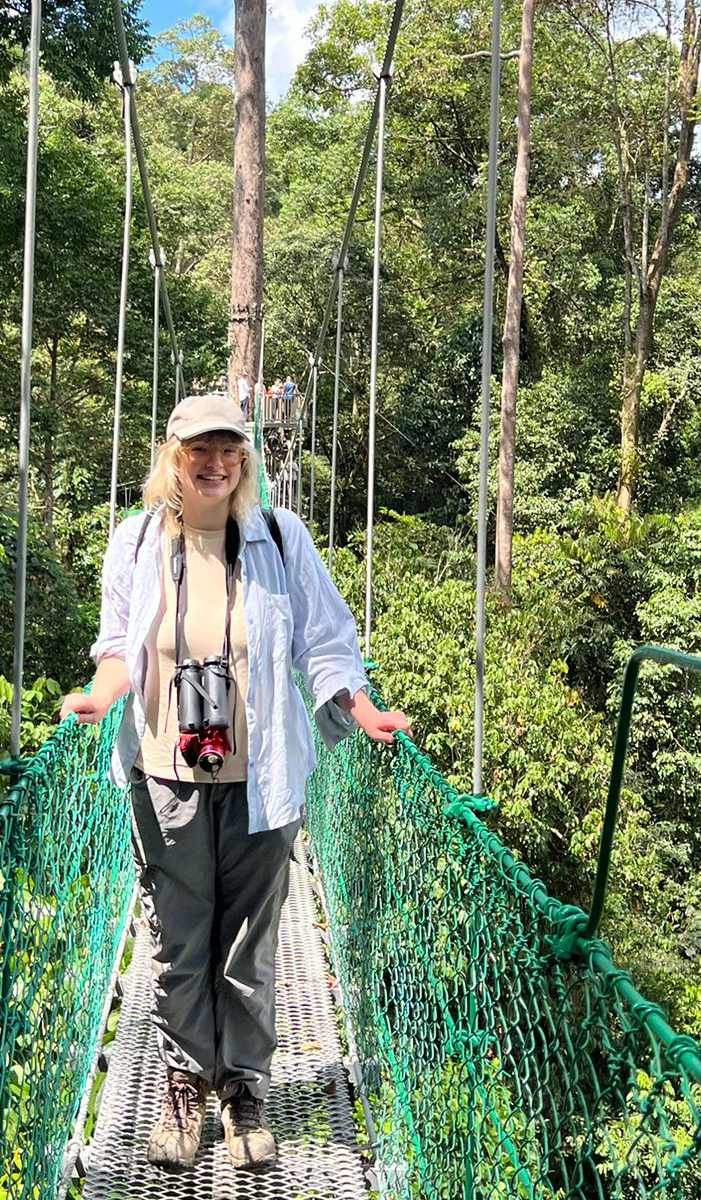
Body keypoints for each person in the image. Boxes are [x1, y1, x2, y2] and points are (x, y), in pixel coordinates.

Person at [60, 393, 409, 1172]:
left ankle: (243, 1087)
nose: (214, 462)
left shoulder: (283, 538)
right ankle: (185, 1083)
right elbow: (117, 647)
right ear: (171, 458)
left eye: (228, 449)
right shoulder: (136, 542)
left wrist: (362, 707)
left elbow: (327, 641)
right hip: (166, 772)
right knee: (179, 940)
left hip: (264, 775)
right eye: (197, 449)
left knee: (248, 940)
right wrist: (98, 696)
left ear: (245, 460)